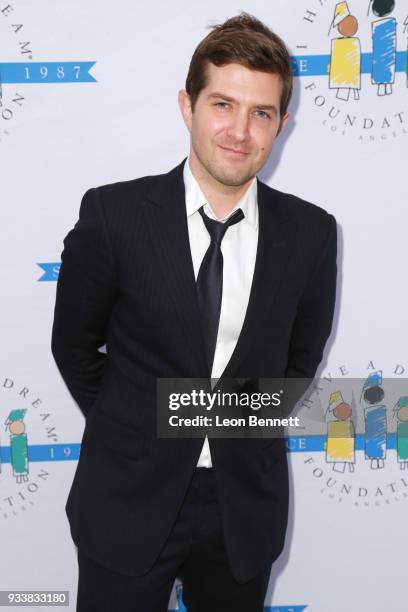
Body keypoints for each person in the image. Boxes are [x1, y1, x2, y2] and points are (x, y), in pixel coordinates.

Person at [51, 12, 337, 612]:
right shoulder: (114, 217)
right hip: (126, 497)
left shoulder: (310, 233)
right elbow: (73, 346)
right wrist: (136, 422)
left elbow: (299, 360)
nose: (240, 130)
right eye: (222, 104)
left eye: (261, 113)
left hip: (241, 508)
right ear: (188, 105)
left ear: (281, 123)